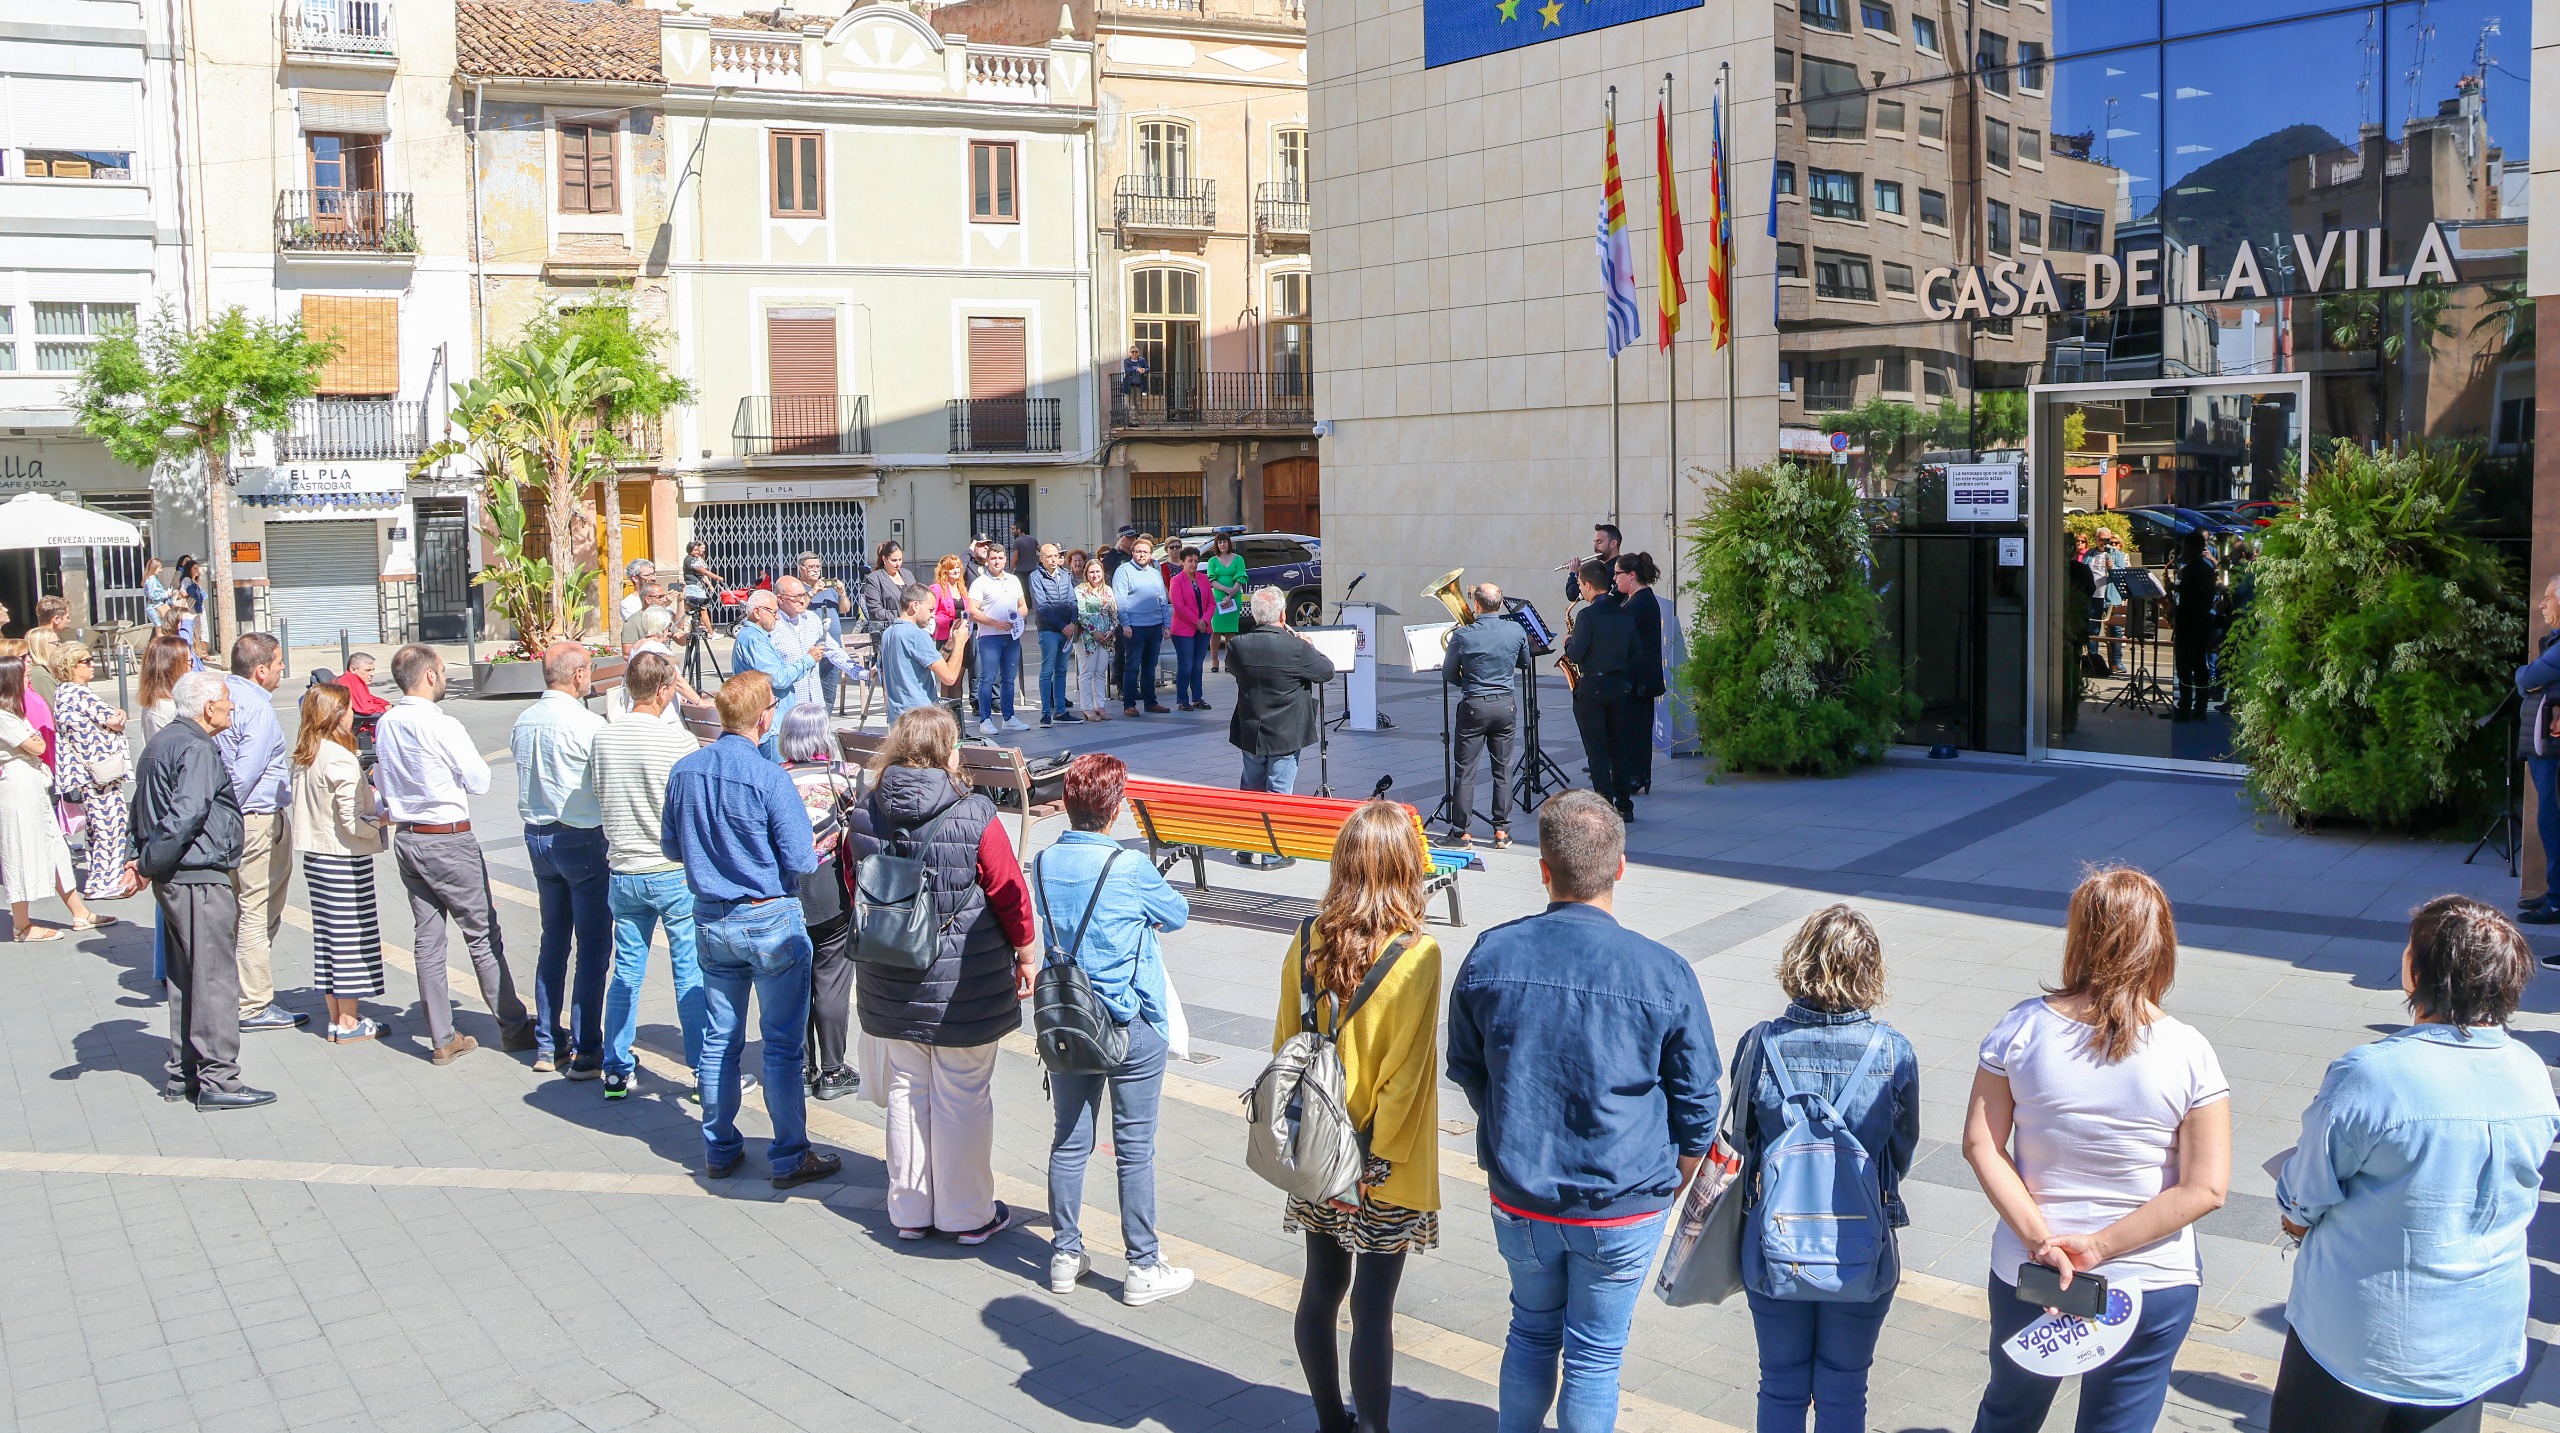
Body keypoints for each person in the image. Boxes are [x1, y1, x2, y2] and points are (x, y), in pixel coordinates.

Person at [1445, 790, 1718, 1433]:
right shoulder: (1664, 971)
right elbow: (1698, 1097)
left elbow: (1466, 1064)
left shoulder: (1490, 954)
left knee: (1530, 1331)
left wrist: (1509, 1119)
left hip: (1520, 1194)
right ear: (1621, 867)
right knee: (1595, 1356)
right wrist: (1675, 1174)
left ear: (1543, 868)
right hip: (1623, 1201)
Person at [2269, 897, 2553, 1433]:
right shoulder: (2531, 1072)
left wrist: (2294, 1218)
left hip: (2358, 1338)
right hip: (2472, 1339)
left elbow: (2305, 1192)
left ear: (2417, 972)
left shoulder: (2373, 1073)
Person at [1962, 866, 2231, 1433]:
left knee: (2008, 1413)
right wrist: (2100, 1247)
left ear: (2079, 937)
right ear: (2160, 943)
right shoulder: (2189, 1051)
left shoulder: (2020, 1029)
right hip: (2150, 1279)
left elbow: (1981, 1143)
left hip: (2033, 1275)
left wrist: (2043, 1243)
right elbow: (2206, 1187)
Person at [1275, 799, 1444, 1433]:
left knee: (1320, 1292)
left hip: (1318, 1149)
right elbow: (1408, 1076)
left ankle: (1330, 1422)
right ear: (1406, 867)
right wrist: (1380, 1158)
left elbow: (1285, 1046)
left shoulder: (1305, 937)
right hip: (1382, 1159)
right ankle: (1373, 1427)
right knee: (1374, 1309)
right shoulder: (1417, 954)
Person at [1731, 906, 1920, 1433]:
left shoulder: (1760, 1043)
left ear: (1799, 962)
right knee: (1844, 1384)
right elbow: (1901, 1149)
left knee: (1781, 1380)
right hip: (1861, 1242)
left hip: (1775, 1240)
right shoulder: (1892, 1050)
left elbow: (1742, 1140)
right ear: (1870, 970)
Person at [856, 704, 1037, 1243]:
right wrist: (1027, 953)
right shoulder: (973, 812)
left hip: (890, 972)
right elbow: (1009, 891)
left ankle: (910, 1210)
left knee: (907, 1087)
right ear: (945, 751)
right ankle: (965, 1214)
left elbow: (853, 882)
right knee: (962, 1092)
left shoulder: (865, 810)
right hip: (963, 983)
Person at [660, 671, 842, 1189]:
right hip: (767, 917)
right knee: (783, 1045)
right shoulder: (768, 778)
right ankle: (789, 1154)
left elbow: (672, 848)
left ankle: (719, 1146)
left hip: (713, 917)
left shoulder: (686, 770)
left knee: (721, 1040)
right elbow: (800, 858)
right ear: (765, 718)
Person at [1036, 753, 1195, 1302]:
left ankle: (1064, 1253)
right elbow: (1176, 914)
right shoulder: (1129, 868)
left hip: (1068, 1021)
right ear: (1115, 808)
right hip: (1126, 1021)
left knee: (1069, 1140)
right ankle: (1142, 1266)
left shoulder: (1044, 861)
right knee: (1134, 1147)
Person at [375, 644, 536, 1065]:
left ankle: (442, 1036)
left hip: (408, 837)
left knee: (427, 940)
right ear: (430, 676)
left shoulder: (387, 722)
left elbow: (385, 777)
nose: (445, 678)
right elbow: (480, 780)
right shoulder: (443, 724)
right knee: (481, 935)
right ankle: (514, 1027)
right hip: (447, 838)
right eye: (443, 671)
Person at [131, 671, 268, 1109]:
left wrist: (143, 859)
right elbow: (186, 814)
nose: (232, 707)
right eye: (227, 700)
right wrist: (149, 862)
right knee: (212, 979)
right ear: (208, 707)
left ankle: (185, 1073)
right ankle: (218, 1081)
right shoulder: (197, 746)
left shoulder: (163, 742)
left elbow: (142, 808)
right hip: (196, 877)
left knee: (186, 978)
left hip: (177, 876)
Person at [590, 652, 708, 1103]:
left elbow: (600, 791)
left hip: (623, 867)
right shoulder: (676, 741)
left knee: (626, 973)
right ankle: (701, 1070)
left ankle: (616, 1067)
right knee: (688, 973)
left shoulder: (604, 737)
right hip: (671, 870)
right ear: (663, 691)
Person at [512, 641, 611, 1079]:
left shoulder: (525, 720)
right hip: (581, 838)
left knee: (554, 940)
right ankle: (587, 1048)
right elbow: (604, 784)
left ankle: (548, 1043)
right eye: (588, 669)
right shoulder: (587, 723)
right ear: (577, 676)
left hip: (537, 836)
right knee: (591, 947)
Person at [777, 700, 870, 1103]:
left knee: (792, 981)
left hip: (783, 891)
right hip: (831, 891)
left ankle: (799, 1066)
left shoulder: (771, 778)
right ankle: (832, 1071)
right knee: (831, 980)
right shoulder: (846, 776)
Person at [289, 681, 389, 1045]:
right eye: (348, 709)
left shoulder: (306, 753)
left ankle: (337, 1018)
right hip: (344, 858)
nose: (353, 714)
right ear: (336, 715)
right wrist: (381, 820)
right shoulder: (341, 759)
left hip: (316, 858)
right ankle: (348, 1022)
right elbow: (352, 820)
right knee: (351, 939)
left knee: (329, 939)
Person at [219, 634, 301, 1030]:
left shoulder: (221, 696)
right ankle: (253, 1003)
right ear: (261, 669)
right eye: (279, 662)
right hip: (255, 820)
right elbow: (243, 776)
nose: (283, 669)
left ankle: (237, 992)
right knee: (256, 910)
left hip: (232, 820)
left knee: (240, 910)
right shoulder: (256, 709)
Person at [0, 651, 104, 938]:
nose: (28, 677)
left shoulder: (13, 712)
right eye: (22, 675)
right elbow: (36, 746)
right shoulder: (3, 715)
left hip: (32, 785)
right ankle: (21, 926)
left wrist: (32, 741)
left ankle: (79, 912)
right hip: (18, 789)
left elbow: (35, 743)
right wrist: (32, 741)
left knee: (55, 848)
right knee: (21, 851)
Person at [1225, 588, 1333, 855]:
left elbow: (1234, 670)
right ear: (1283, 614)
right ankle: (1274, 853)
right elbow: (1326, 671)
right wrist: (1310, 645)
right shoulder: (1296, 647)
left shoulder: (1238, 644)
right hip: (1286, 732)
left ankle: (1247, 847)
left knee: (1251, 787)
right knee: (1279, 790)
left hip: (1251, 728)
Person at [1439, 583, 1528, 848]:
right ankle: (1501, 831)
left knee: (1465, 771)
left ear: (1476, 605)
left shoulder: (1463, 635)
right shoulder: (1515, 629)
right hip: (1505, 705)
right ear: (1500, 605)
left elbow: (1448, 673)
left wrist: (1467, 680)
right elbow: (1524, 663)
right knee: (1503, 768)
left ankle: (1462, 832)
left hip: (1474, 705)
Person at [51, 643, 136, 905]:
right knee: (110, 825)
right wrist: (119, 714)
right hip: (98, 773)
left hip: (88, 773)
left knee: (97, 827)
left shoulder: (64, 693)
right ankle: (104, 881)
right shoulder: (78, 693)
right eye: (85, 661)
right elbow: (114, 720)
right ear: (71, 666)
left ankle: (98, 879)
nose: (91, 665)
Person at [1565, 559, 1644, 823]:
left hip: (1592, 687)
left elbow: (1575, 654)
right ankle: (1625, 804)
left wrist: (1568, 642)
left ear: (1588, 585)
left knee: (1597, 752)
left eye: (1580, 585)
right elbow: (1636, 654)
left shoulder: (1586, 615)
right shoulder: (1624, 612)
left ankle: (1604, 805)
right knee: (1618, 748)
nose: (1580, 590)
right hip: (1618, 687)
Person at [2514, 575, 2560, 926]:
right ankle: (2554, 893)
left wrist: (2525, 674)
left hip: (2554, 752)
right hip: (2546, 748)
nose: (2542, 605)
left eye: (2548, 598)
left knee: (2552, 821)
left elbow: (2525, 679)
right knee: (2549, 821)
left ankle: (2557, 901)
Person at [730, 589, 820, 758]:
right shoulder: (753, 639)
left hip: (771, 723)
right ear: (757, 612)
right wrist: (808, 660)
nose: (777, 617)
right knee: (773, 776)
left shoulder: (756, 637)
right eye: (774, 612)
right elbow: (777, 678)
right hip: (769, 726)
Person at [877, 584, 973, 724]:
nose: (933, 615)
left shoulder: (888, 633)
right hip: (921, 719)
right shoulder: (917, 634)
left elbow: (928, 663)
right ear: (915, 605)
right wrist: (960, 643)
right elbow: (950, 678)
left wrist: (949, 644)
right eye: (930, 609)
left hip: (897, 719)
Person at [774, 575, 862, 721]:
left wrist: (862, 673)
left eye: (804, 595)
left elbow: (834, 652)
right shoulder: (773, 627)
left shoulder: (812, 619)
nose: (803, 600)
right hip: (788, 712)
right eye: (796, 597)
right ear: (781, 599)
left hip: (815, 707)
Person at [1613, 553, 1665, 795]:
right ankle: (1638, 774)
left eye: (1617, 574)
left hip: (1639, 678)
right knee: (1635, 727)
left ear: (1631, 576)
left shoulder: (1640, 602)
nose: (1614, 579)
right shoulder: (1635, 599)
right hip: (1638, 676)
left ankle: (1636, 776)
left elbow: (1622, 635)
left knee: (1635, 729)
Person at [966, 543, 1029, 736]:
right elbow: (973, 610)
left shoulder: (1013, 580)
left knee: (1009, 679)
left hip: (1011, 637)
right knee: (988, 678)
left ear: (1005, 559)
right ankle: (985, 719)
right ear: (987, 560)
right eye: (993, 558)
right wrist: (995, 623)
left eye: (1000, 558)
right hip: (990, 637)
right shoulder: (980, 582)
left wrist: (1017, 619)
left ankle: (1008, 717)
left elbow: (1023, 607)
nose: (997, 561)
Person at [1111, 535, 1171, 715]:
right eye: (1138, 551)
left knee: (1150, 666)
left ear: (1151, 554)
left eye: (1145, 552)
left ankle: (1150, 702)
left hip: (1155, 626)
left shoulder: (1154, 572)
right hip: (1134, 628)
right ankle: (1129, 705)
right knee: (1132, 666)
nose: (1141, 555)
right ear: (1132, 552)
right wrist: (1125, 624)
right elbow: (1119, 600)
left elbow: (1162, 599)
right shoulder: (1123, 571)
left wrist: (1166, 625)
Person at [1027, 543, 1083, 728]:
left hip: (1067, 629)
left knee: (1061, 671)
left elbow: (1072, 600)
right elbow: (1041, 606)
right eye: (1048, 556)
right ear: (1041, 559)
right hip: (1049, 630)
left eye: (1055, 556)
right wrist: (1062, 627)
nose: (1053, 560)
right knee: (1047, 670)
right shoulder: (1035, 577)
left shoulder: (1065, 575)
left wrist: (1073, 623)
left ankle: (1060, 711)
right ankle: (1045, 714)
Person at [2168, 534, 2219, 723]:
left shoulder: (2190, 571)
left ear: (2189, 547)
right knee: (2200, 666)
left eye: (2184, 547)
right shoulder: (2207, 569)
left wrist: (2173, 603)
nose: (2182, 551)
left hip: (2189, 623)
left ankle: (2185, 706)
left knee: (2184, 667)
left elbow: (2188, 600)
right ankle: (2200, 708)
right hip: (2203, 621)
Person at [1167, 546, 1214, 712]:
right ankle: (1182, 700)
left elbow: (1211, 603)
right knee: (1185, 664)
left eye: (1196, 561)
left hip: (1203, 629)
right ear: (1182, 562)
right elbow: (1179, 606)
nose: (1193, 564)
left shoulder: (1203, 579)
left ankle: (1197, 697)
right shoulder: (1176, 580)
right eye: (1190, 561)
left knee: (1198, 665)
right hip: (1183, 630)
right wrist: (1197, 621)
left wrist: (1205, 620)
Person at [1074, 557, 1117, 721]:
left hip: (1105, 637)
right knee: (1087, 672)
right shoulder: (1080, 590)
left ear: (1102, 572)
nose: (1095, 575)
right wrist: (1094, 631)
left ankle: (1099, 705)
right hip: (1087, 637)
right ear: (1086, 573)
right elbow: (1080, 614)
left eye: (1098, 571)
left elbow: (1114, 613)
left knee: (1100, 672)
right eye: (1091, 572)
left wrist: (1110, 631)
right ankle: (1086, 707)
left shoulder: (1108, 590)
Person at [1205, 532, 1248, 673]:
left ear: (1229, 543)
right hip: (1217, 598)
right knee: (1215, 629)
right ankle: (1214, 660)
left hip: (1234, 598)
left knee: (1231, 630)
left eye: (1225, 542)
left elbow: (1241, 577)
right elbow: (1211, 579)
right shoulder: (1212, 561)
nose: (1222, 544)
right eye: (1219, 542)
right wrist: (1225, 590)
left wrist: (1231, 593)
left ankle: (1229, 661)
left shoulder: (1238, 559)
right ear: (1216, 545)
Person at [139, 634, 192, 742]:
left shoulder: (162, 701)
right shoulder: (165, 710)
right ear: (173, 667)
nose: (193, 666)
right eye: (189, 662)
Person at [863, 540, 922, 623]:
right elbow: (875, 609)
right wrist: (898, 620)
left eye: (900, 559)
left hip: (912, 625)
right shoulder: (874, 578)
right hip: (889, 627)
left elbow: (918, 598)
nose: (898, 564)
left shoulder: (907, 574)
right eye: (894, 560)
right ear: (884, 559)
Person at [1567, 522, 1623, 607]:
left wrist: (1573, 574)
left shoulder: (1605, 570)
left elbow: (1573, 594)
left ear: (1613, 543)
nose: (1595, 546)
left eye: (1599, 542)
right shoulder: (1621, 564)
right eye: (1595, 542)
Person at [26, 594, 68, 698]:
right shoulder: (40, 674)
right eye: (68, 617)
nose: (69, 621)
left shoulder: (31, 635)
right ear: (57, 619)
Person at [336, 651, 391, 717]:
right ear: (353, 669)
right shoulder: (352, 678)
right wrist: (384, 708)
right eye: (368, 670)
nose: (372, 674)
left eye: (373, 670)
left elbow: (369, 698)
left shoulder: (347, 679)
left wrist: (385, 703)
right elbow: (365, 708)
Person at [141, 555, 170, 623]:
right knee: (160, 629)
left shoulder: (151, 579)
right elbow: (152, 595)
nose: (161, 570)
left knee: (161, 628)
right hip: (155, 607)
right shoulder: (151, 580)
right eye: (159, 568)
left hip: (156, 607)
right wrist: (166, 594)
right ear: (154, 567)